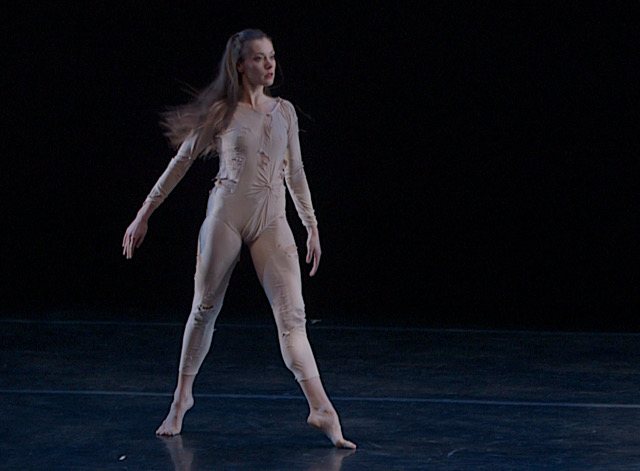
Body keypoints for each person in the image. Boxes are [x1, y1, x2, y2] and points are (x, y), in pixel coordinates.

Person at [122, 29, 356, 449]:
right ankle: (181, 399)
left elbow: (295, 172)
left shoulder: (285, 112)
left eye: (272, 57)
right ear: (239, 65)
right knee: (204, 308)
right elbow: (180, 163)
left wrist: (312, 226)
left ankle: (321, 408)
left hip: (271, 218)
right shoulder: (221, 111)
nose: (270, 65)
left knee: (293, 319)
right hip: (226, 216)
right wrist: (143, 214)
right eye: (260, 58)